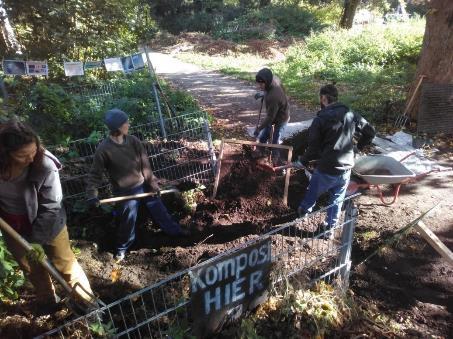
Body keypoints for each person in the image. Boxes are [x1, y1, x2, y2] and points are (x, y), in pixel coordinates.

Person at [0, 120, 94, 312]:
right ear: (5, 154)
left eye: (33, 151)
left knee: (65, 263)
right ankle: (49, 303)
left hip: (48, 221)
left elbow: (51, 206)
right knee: (31, 268)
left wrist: (36, 240)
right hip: (12, 225)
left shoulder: (44, 165)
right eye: (22, 155)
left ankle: (90, 305)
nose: (30, 158)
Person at [86, 109, 189, 262]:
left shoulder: (133, 141)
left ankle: (175, 231)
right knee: (128, 220)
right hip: (125, 191)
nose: (128, 124)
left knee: (159, 209)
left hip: (144, 184)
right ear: (118, 127)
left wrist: (153, 184)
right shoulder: (104, 149)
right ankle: (122, 249)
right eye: (125, 122)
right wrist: (92, 196)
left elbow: (145, 164)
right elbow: (95, 175)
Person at [297, 84, 375, 237]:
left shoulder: (320, 119)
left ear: (323, 98)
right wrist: (357, 148)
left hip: (327, 168)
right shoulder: (351, 114)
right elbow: (370, 132)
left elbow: (312, 148)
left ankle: (302, 213)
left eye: (320, 98)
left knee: (313, 191)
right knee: (337, 199)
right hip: (346, 167)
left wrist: (303, 161)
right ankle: (329, 230)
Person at [254, 68, 290, 162]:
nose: (259, 86)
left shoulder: (273, 97)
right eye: (258, 83)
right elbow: (268, 90)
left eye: (261, 84)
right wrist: (263, 94)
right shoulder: (272, 82)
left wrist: (259, 128)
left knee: (275, 142)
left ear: (268, 82)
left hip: (281, 118)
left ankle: (276, 161)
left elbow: (270, 118)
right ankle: (259, 155)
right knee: (263, 137)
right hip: (274, 113)